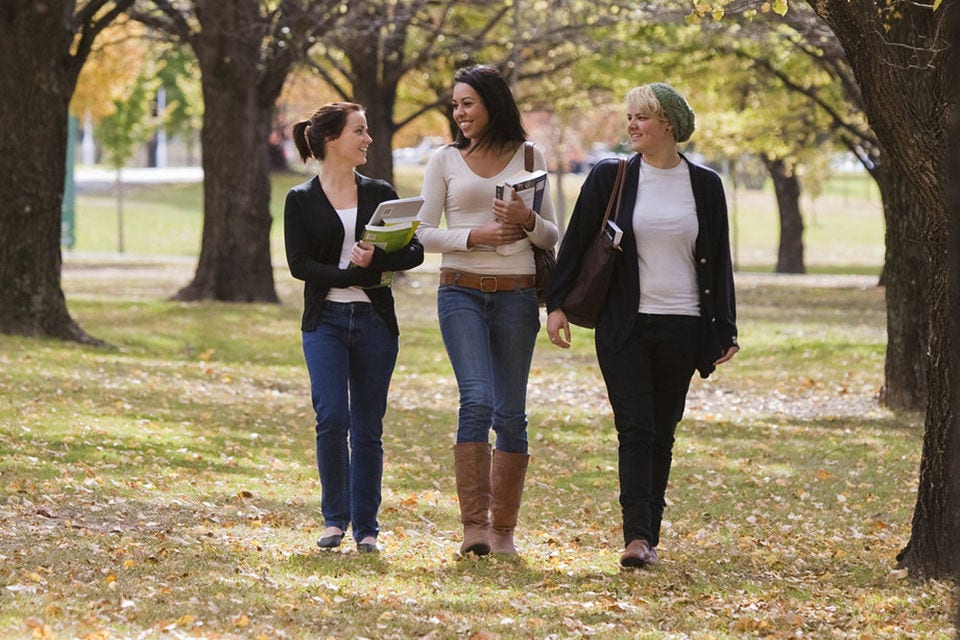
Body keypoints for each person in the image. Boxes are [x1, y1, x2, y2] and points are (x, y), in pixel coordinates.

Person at [545, 83, 739, 568]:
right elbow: (576, 243)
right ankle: (635, 538)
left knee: (662, 431)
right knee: (634, 428)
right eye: (629, 117)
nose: (631, 126)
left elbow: (719, 261)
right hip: (624, 324)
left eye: (642, 118)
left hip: (684, 324)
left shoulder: (705, 185)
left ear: (668, 125)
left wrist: (725, 327)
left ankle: (649, 535)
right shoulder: (612, 175)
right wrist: (556, 304)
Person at [416, 64, 560, 557]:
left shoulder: (530, 156)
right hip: (460, 291)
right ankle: (473, 527)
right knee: (475, 399)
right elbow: (421, 232)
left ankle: (503, 531)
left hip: (517, 294)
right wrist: (472, 235)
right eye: (455, 105)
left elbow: (552, 234)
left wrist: (527, 219)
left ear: (492, 104)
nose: (459, 114)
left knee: (512, 414)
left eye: (467, 103)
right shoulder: (444, 160)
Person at [284, 102, 424, 554]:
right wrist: (352, 273)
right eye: (359, 132)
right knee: (332, 419)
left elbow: (414, 252)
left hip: (374, 323)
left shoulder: (380, 192)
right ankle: (333, 521)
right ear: (331, 141)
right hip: (323, 321)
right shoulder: (300, 199)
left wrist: (377, 260)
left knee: (367, 427)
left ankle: (366, 528)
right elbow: (299, 264)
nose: (368, 140)